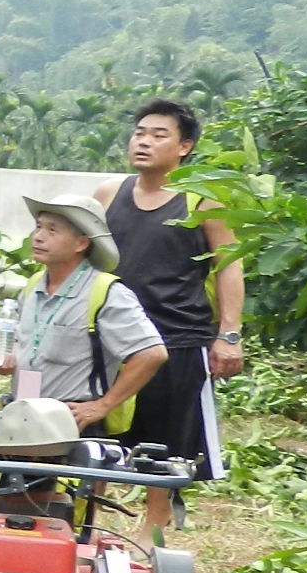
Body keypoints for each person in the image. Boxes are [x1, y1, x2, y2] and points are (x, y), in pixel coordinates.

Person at [91, 97, 241, 529]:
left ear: (184, 148)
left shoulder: (204, 201)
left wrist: (228, 335)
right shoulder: (108, 194)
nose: (144, 141)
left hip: (177, 338)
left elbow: (230, 265)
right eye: (140, 132)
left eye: (159, 135)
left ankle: (154, 536)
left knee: (164, 447)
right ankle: (88, 526)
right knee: (95, 436)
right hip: (109, 341)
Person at [0, 195, 165, 436]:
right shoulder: (32, 288)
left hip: (71, 424)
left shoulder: (106, 293)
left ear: (81, 243)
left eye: (53, 230)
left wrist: (103, 406)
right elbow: (27, 345)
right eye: (39, 227)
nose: (38, 236)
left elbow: (151, 354)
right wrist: (9, 359)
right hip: (23, 418)